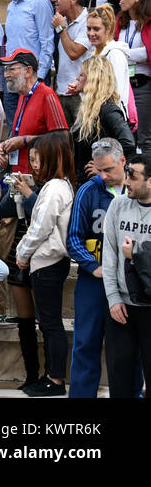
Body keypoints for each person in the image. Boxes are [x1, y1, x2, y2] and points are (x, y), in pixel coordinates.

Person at [15, 130, 77, 397]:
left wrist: (22, 253)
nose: (34, 163)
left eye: (39, 157)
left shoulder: (54, 188)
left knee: (51, 324)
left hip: (48, 262)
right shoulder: (58, 185)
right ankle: (49, 376)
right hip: (47, 262)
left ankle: (56, 379)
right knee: (48, 323)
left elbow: (40, 228)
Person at [66, 137, 125, 398]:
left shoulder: (137, 190)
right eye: (99, 170)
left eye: (109, 170)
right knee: (85, 344)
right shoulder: (88, 191)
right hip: (94, 281)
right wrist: (93, 266)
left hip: (128, 283)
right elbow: (73, 238)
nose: (104, 176)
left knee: (125, 350)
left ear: (123, 161)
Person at [102, 154, 151, 398]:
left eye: (133, 176)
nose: (127, 180)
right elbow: (109, 255)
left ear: (150, 181)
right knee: (119, 380)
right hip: (121, 307)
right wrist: (113, 298)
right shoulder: (118, 205)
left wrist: (137, 253)